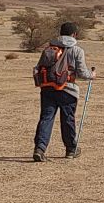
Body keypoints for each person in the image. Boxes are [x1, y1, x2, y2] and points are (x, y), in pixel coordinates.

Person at [31, 21, 92, 162]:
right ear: (74, 34)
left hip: (47, 88)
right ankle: (71, 149)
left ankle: (39, 148)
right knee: (68, 119)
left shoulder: (49, 48)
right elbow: (82, 73)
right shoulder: (77, 50)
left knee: (46, 118)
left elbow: (39, 67)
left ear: (60, 34)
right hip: (68, 90)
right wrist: (92, 75)